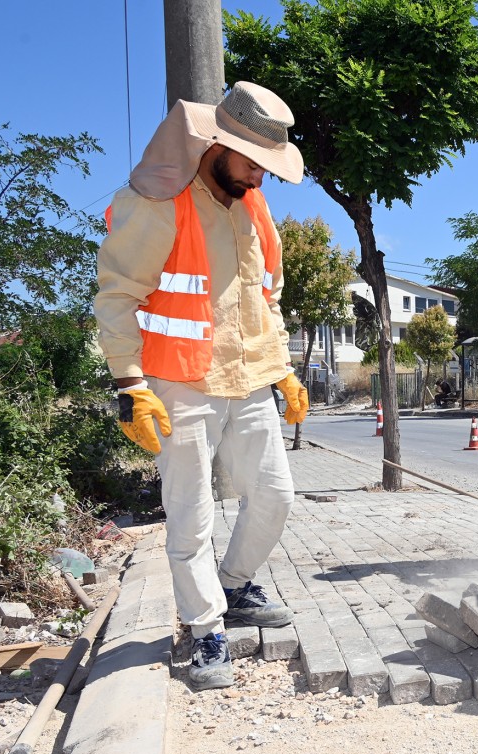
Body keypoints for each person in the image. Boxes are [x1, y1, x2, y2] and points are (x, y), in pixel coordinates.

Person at [95, 82, 307, 689]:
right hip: (179, 384)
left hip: (250, 380)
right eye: (253, 164)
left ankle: (234, 586)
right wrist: (130, 383)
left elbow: (264, 298)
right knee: (191, 518)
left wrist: (284, 368)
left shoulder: (253, 207)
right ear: (219, 145)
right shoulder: (159, 204)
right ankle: (206, 627)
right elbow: (116, 297)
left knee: (276, 496)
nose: (260, 178)